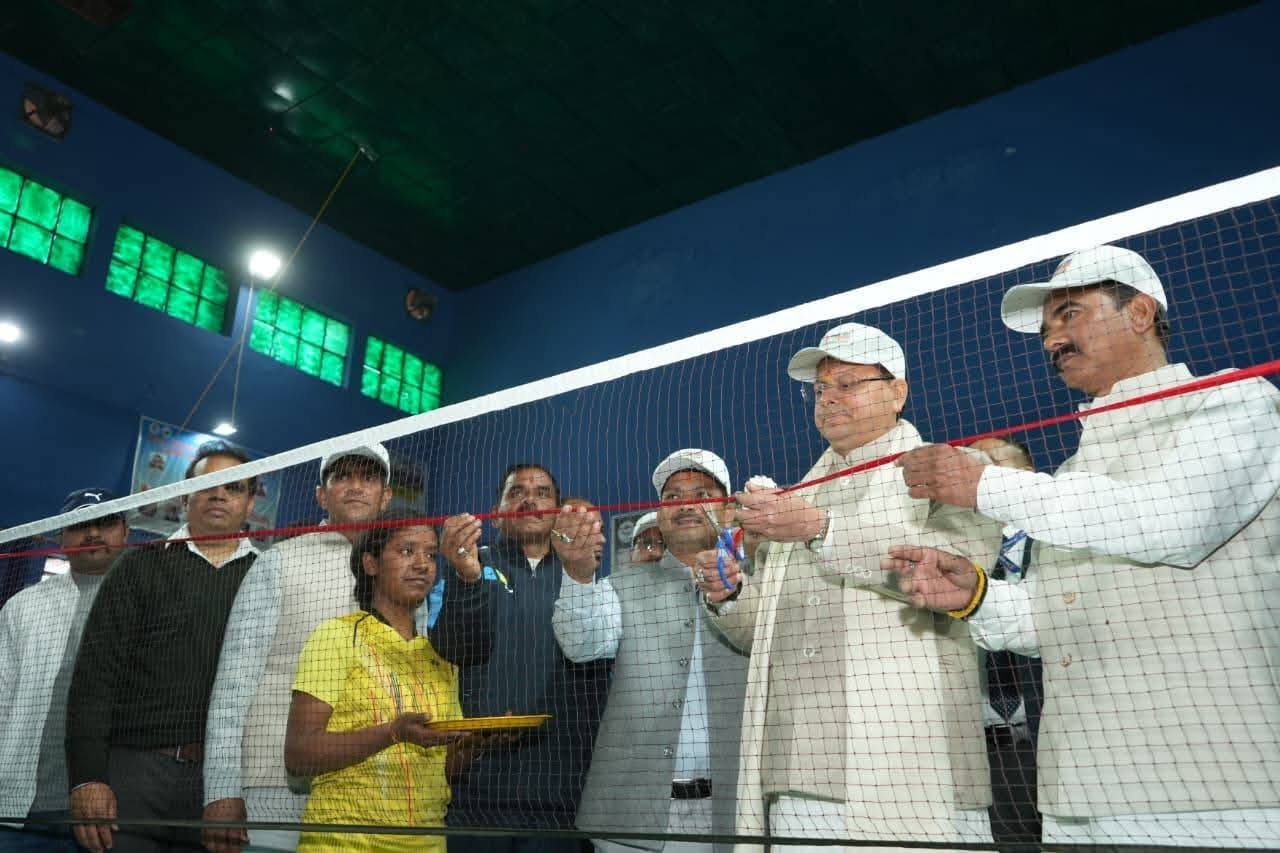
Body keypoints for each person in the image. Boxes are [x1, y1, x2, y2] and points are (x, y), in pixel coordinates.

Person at [891, 244, 1280, 848]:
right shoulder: (1073, 473)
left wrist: (986, 485)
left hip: (1214, 786)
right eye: (1047, 327)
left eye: (1069, 313)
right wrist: (976, 597)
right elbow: (1053, 619)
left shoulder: (1235, 402)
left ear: (1141, 313)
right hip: (1078, 790)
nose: (1052, 339)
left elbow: (1173, 524)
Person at [699, 322, 1000, 850]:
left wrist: (822, 530)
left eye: (847, 384)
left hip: (913, 757)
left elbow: (961, 574)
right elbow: (759, 637)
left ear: (897, 392)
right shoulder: (795, 498)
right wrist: (730, 594)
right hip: (801, 768)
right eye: (819, 389)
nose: (828, 399)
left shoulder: (952, 470)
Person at [202, 446, 492, 852]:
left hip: (382, 791)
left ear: (386, 496)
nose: (356, 486)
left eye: (369, 478)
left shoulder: (411, 581)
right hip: (273, 784)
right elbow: (233, 682)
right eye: (343, 476)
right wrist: (220, 789)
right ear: (322, 495)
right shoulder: (277, 562)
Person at [553, 449, 750, 853]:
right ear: (659, 516)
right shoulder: (621, 585)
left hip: (734, 816)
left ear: (729, 511)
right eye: (672, 496)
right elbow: (582, 645)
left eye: (701, 493)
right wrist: (578, 574)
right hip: (629, 817)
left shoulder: (760, 585)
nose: (686, 504)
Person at [67, 443, 261, 853]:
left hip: (222, 784)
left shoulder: (266, 575)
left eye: (234, 487)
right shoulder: (139, 566)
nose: (219, 494)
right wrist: (88, 778)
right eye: (207, 484)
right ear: (184, 495)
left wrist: (230, 784)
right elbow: (94, 677)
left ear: (250, 502)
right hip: (133, 771)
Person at [440, 464, 610, 852]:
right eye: (516, 492)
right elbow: (450, 646)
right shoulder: (468, 567)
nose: (530, 500)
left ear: (558, 512)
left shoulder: (585, 580)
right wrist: (465, 577)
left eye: (542, 492)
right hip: (474, 794)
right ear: (496, 513)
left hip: (562, 798)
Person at [284, 516, 464, 851]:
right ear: (371, 563)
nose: (422, 564)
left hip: (427, 843)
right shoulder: (336, 636)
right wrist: (392, 733)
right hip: (343, 842)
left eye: (431, 554)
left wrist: (476, 744)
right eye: (407, 551)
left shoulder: (442, 656)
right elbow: (299, 756)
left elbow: (444, 769)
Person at [0, 490, 127, 851]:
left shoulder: (148, 601)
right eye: (80, 524)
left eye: (105, 522)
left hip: (113, 807)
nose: (93, 533)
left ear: (125, 532)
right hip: (23, 805)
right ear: (61, 536)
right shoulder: (24, 607)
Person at [967, 437, 1043, 847]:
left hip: (1055, 738)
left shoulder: (1063, 541)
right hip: (987, 755)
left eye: (994, 461)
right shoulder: (950, 554)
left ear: (1029, 475)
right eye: (973, 462)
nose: (981, 470)